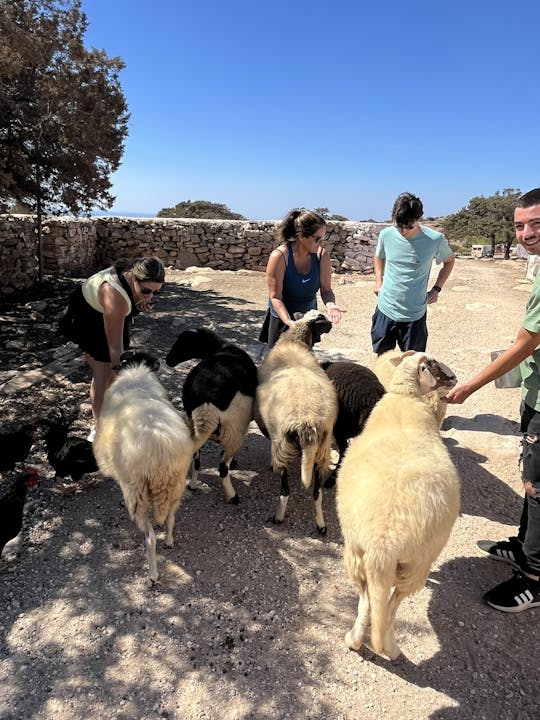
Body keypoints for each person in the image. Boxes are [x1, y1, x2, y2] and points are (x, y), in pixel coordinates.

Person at [445, 188, 540, 613]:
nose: (526, 233)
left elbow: (525, 343)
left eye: (535, 223)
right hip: (535, 391)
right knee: (530, 475)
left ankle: (535, 579)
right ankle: (524, 547)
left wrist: (469, 387)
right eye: (520, 225)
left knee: (537, 486)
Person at [59, 256, 165, 438]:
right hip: (87, 317)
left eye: (157, 292)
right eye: (146, 291)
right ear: (134, 277)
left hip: (110, 311)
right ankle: (99, 428)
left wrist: (139, 302)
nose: (150, 296)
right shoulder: (114, 297)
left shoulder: (131, 276)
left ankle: (115, 412)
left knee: (116, 375)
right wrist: (128, 378)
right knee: (104, 371)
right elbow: (116, 350)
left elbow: (130, 302)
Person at [371, 192, 455, 354]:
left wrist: (436, 289)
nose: (403, 231)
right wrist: (378, 280)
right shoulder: (386, 235)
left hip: (414, 316)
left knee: (412, 367)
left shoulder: (434, 239)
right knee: (382, 362)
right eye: (399, 225)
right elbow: (379, 256)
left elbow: (449, 261)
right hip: (385, 309)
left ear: (419, 218)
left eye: (408, 226)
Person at [259, 209, 346, 347]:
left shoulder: (321, 256)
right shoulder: (280, 257)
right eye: (317, 239)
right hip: (283, 318)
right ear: (301, 235)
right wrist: (289, 322)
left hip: (307, 318)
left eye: (323, 238)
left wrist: (330, 305)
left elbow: (326, 290)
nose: (321, 243)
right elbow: (275, 297)